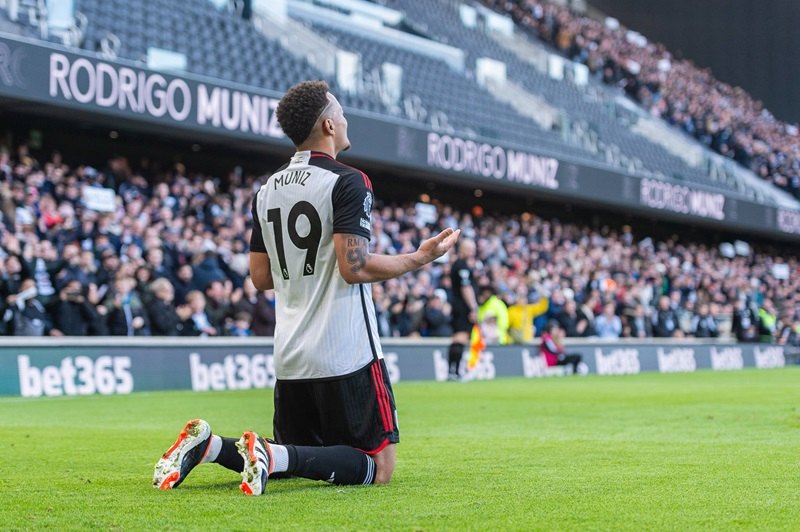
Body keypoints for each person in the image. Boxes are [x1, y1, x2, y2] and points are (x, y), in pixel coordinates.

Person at [154, 80, 460, 495]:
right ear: (329, 125)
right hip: (344, 349)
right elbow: (354, 267)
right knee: (378, 468)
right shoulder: (349, 181)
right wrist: (419, 258)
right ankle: (265, 453)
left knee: (298, 456)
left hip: (290, 352)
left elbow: (260, 277)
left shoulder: (266, 191)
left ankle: (211, 447)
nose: (346, 119)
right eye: (342, 113)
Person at [446, 239, 478, 379]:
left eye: (473, 249)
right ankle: (455, 372)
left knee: (459, 339)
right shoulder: (461, 266)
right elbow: (466, 288)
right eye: (469, 249)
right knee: (460, 338)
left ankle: (453, 371)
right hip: (462, 308)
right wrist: (473, 308)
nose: (472, 252)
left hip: (459, 307)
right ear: (462, 249)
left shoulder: (460, 265)